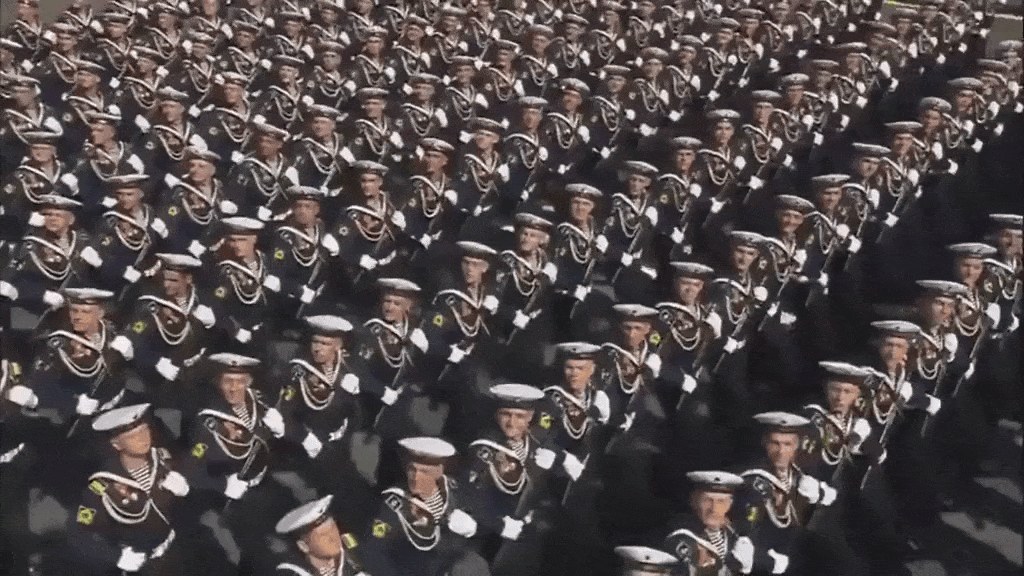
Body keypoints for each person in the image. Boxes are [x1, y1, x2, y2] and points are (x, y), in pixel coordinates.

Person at [67, 403, 188, 576]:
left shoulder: (165, 459)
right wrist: (115, 556)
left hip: (177, 550)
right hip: (142, 565)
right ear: (116, 444)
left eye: (144, 430)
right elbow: (79, 533)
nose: (142, 439)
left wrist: (187, 491)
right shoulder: (104, 485)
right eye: (132, 436)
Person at [361, 436, 490, 576]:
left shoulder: (457, 491)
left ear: (439, 471)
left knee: (474, 564)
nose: (416, 478)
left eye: (424, 472)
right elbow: (374, 552)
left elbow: (489, 527)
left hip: (455, 567)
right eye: (412, 470)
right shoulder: (395, 503)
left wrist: (473, 529)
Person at [664, 471, 757, 576]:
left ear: (730, 504)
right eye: (707, 501)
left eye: (721, 502)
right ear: (694, 502)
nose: (714, 509)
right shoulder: (683, 538)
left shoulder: (735, 539)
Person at [271, 495, 366, 576]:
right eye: (324, 534)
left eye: (333, 529)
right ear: (303, 546)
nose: (333, 537)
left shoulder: (354, 562)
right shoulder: (292, 572)